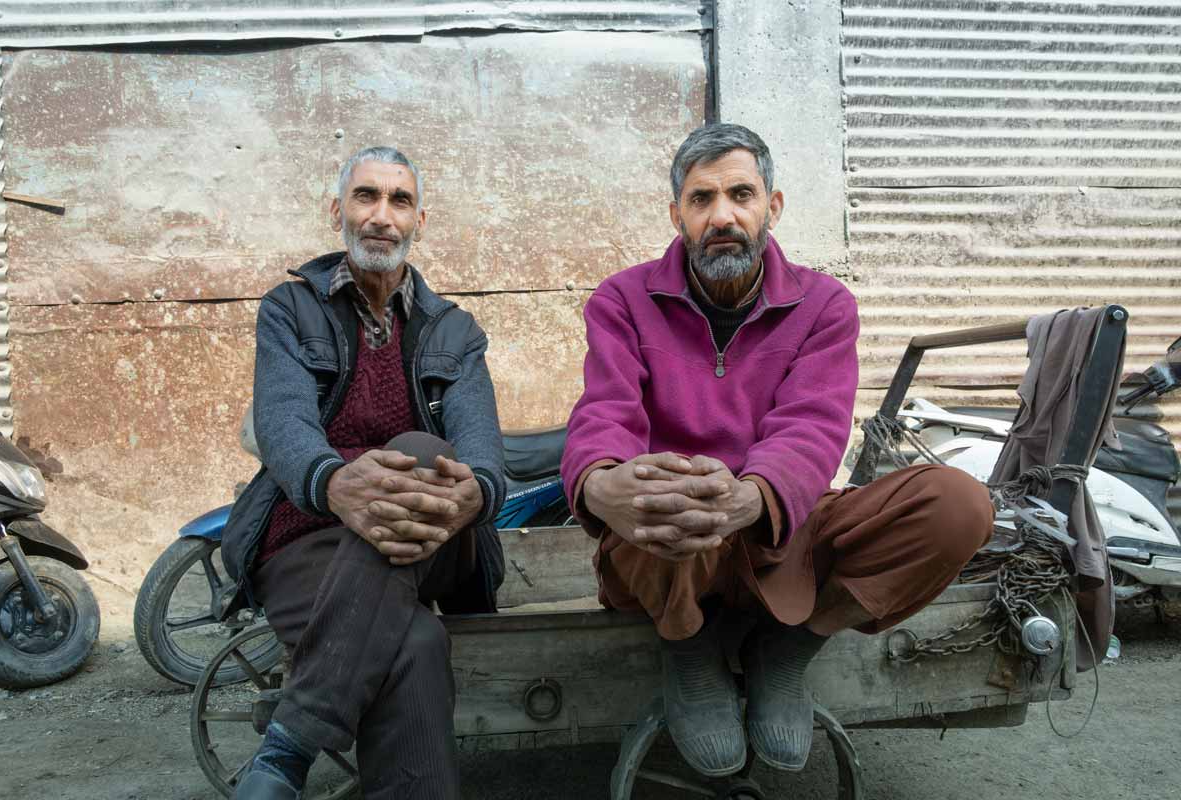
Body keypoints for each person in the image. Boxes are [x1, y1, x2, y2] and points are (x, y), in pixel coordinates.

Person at [561, 123, 993, 778]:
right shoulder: (622, 299)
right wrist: (600, 484)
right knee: (665, 490)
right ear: (676, 214)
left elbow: (811, 428)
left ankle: (791, 646)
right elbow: (605, 413)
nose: (723, 215)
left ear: (773, 206)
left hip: (778, 525)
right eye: (701, 199)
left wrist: (749, 497)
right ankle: (687, 649)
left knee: (960, 505)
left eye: (741, 194)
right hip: (671, 545)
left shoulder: (824, 305)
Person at [220, 146, 506, 800]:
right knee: (416, 646)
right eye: (365, 197)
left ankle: (290, 747)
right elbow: (285, 424)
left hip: (437, 537)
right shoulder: (290, 310)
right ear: (337, 212)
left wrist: (475, 493)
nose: (381, 216)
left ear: (419, 222)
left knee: (422, 450)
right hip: (306, 539)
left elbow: (484, 449)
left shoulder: (455, 331)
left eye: (398, 201)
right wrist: (333, 483)